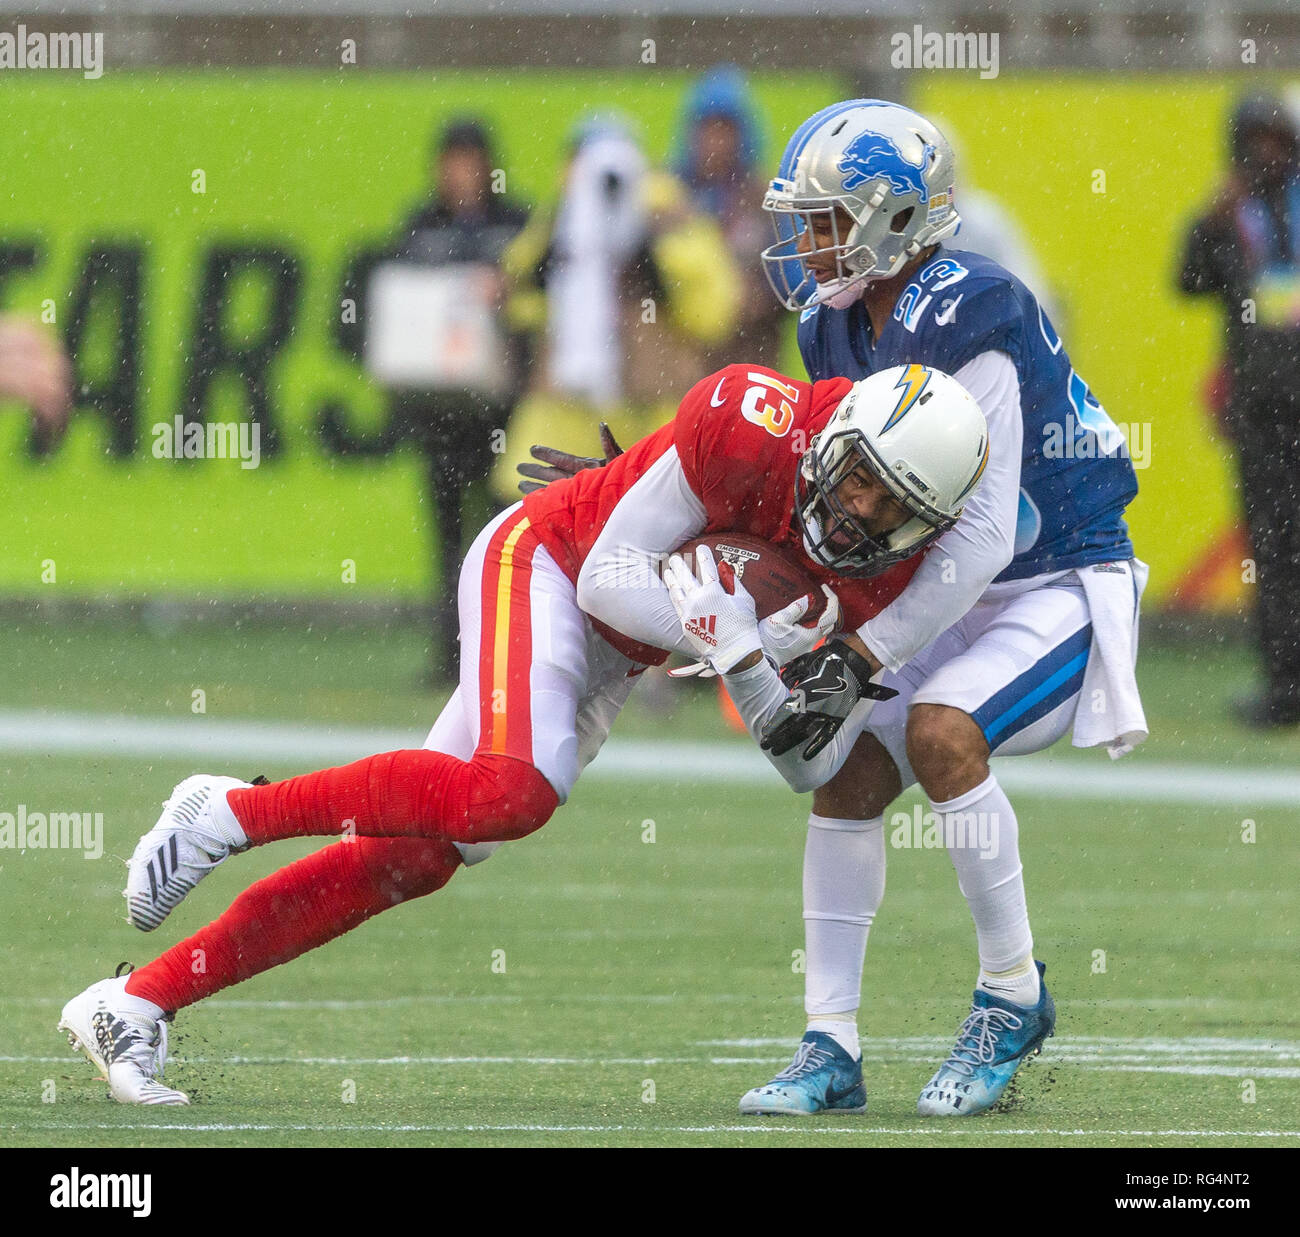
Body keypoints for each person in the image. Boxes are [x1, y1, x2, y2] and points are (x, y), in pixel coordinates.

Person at [57, 357, 989, 1106]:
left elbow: (811, 766)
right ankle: (230, 810)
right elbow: (607, 577)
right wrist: (724, 636)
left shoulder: (890, 582)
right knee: (513, 792)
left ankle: (135, 1003)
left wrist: (748, 665)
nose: (863, 511)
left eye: (893, 506)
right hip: (548, 561)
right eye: (863, 477)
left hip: (615, 655)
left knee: (417, 856)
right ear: (840, 440)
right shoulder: (755, 422)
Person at [723, 98, 1147, 1118]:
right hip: (948, 591)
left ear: (893, 219)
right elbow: (820, 481)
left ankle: (1012, 994)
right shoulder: (830, 322)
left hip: (1056, 579)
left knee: (942, 732)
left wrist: (861, 650)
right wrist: (670, 501)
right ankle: (830, 1043)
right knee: (847, 774)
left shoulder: (973, 308)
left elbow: (985, 536)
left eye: (825, 221)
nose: (806, 243)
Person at [489, 115, 741, 504]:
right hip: (564, 410)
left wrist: (654, 259)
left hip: (651, 416)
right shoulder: (561, 218)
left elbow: (712, 313)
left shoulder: (669, 215)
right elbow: (518, 297)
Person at [385, 118, 530, 679]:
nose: (460, 175)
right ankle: (450, 656)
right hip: (441, 411)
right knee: (448, 540)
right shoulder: (421, 226)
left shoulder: (517, 224)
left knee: (502, 539)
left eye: (470, 162)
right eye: (452, 162)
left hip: (501, 408)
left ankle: (498, 657)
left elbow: (538, 296)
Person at [1179, 95, 1300, 728]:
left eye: (1277, 141)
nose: (1266, 155)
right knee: (1275, 551)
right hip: (1262, 415)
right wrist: (1209, 220)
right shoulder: (1231, 215)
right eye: (1255, 141)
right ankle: (1285, 690)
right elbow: (1188, 282)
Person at [673, 65, 786, 370]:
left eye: (726, 130)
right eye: (707, 129)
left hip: (754, 356)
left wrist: (758, 295)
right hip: (688, 361)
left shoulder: (767, 199)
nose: (716, 141)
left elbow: (792, 278)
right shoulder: (673, 197)